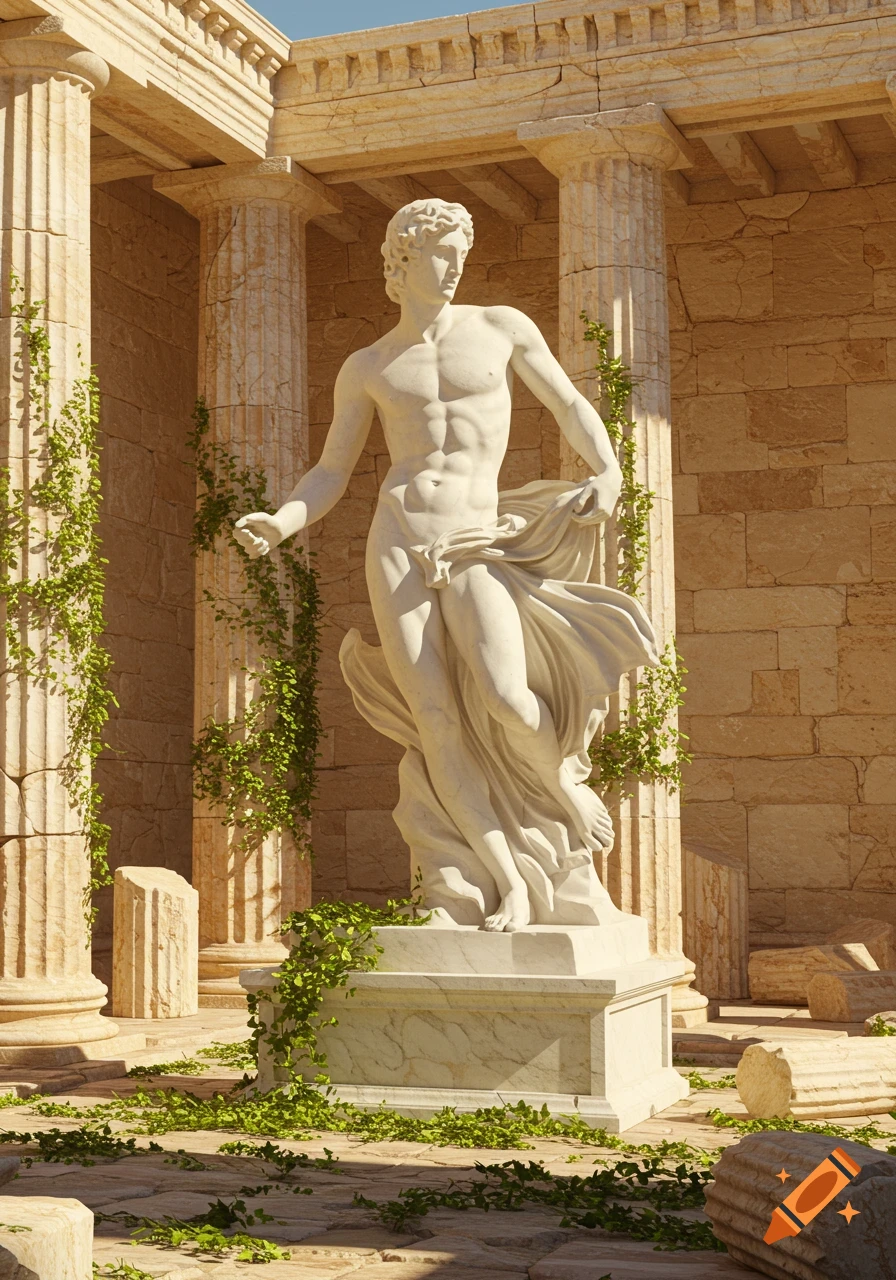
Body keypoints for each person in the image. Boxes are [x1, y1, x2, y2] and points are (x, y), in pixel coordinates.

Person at [234, 198, 657, 933]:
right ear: (401, 259)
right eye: (442, 251)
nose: (457, 264)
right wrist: (283, 521)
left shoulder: (499, 328)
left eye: (463, 250)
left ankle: (559, 785)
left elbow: (566, 403)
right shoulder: (369, 365)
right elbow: (331, 472)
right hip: (396, 538)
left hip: (475, 541)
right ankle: (498, 881)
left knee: (501, 693)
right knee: (434, 722)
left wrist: (610, 470)